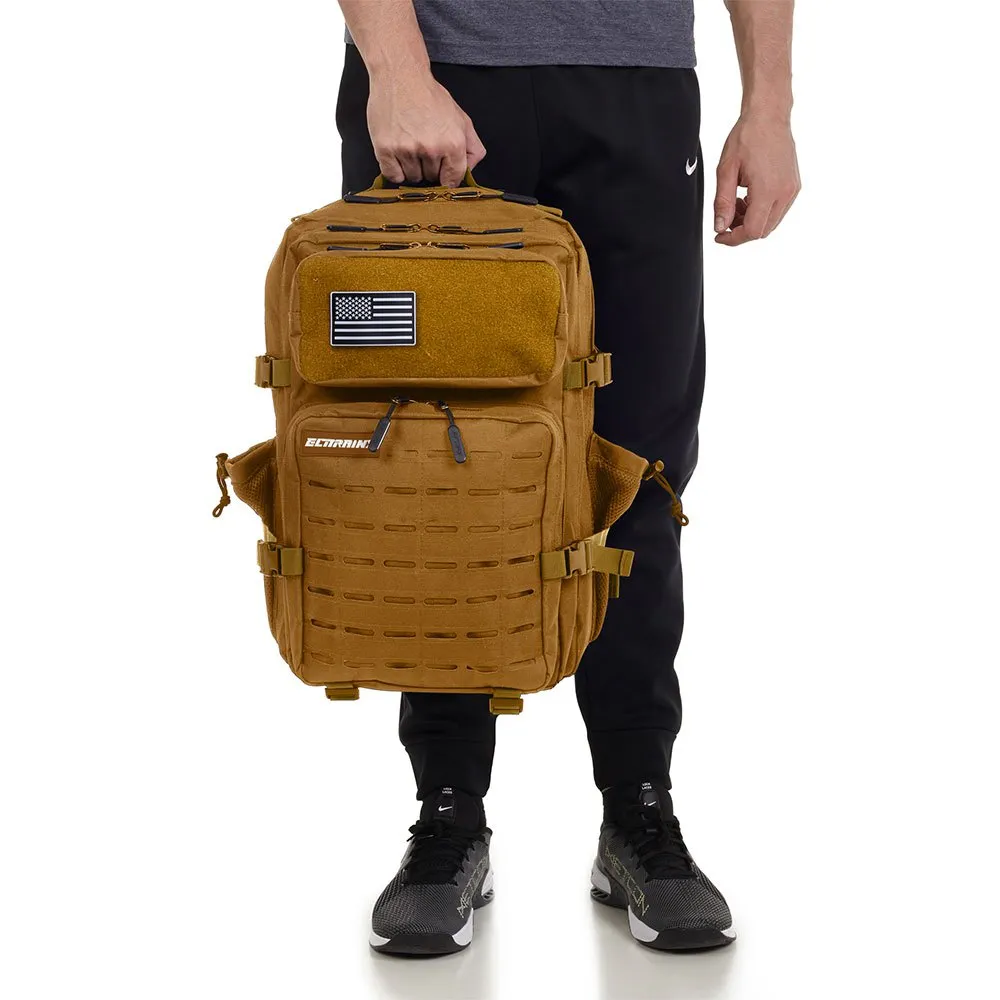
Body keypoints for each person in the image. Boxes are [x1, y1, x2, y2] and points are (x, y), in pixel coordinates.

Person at [336, 0, 800, 957]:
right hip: (444, 81)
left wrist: (769, 105)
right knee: (437, 464)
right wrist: (397, 68)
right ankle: (448, 812)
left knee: (639, 466)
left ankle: (639, 809)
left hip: (641, 88)